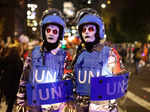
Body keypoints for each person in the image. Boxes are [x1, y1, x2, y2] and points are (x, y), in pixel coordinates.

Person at [16, 8, 75, 112]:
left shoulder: (65, 56)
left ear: (59, 34)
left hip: (56, 105)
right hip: (34, 104)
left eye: (55, 31)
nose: (51, 33)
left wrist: (69, 99)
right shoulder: (33, 54)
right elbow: (25, 77)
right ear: (44, 32)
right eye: (48, 30)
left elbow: (68, 79)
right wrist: (21, 99)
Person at [73, 8, 127, 112]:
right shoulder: (79, 54)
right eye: (84, 30)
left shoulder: (110, 53)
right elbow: (72, 77)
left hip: (103, 106)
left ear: (99, 31)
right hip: (81, 105)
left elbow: (120, 81)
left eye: (91, 29)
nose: (87, 32)